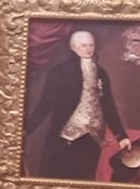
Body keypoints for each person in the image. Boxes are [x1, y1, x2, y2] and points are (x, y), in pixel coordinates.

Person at [29, 28, 132, 181]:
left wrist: (121, 135)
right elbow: (45, 104)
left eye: (91, 45)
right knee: (58, 177)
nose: (88, 49)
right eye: (83, 46)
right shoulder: (60, 72)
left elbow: (109, 106)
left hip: (92, 137)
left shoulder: (101, 73)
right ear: (73, 47)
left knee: (85, 180)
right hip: (65, 135)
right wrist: (26, 130)